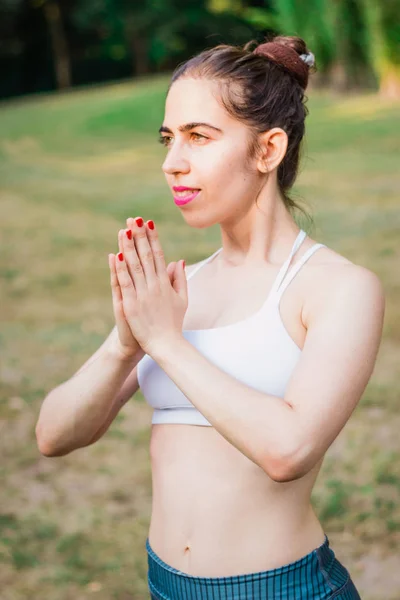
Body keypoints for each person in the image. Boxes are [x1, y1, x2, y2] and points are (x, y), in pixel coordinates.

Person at [36, 35, 385, 599]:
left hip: (284, 590)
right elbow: (53, 435)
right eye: (168, 139)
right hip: (165, 585)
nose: (173, 163)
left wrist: (167, 343)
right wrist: (126, 343)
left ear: (267, 150)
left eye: (199, 137)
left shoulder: (338, 289)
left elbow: (288, 451)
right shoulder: (180, 289)